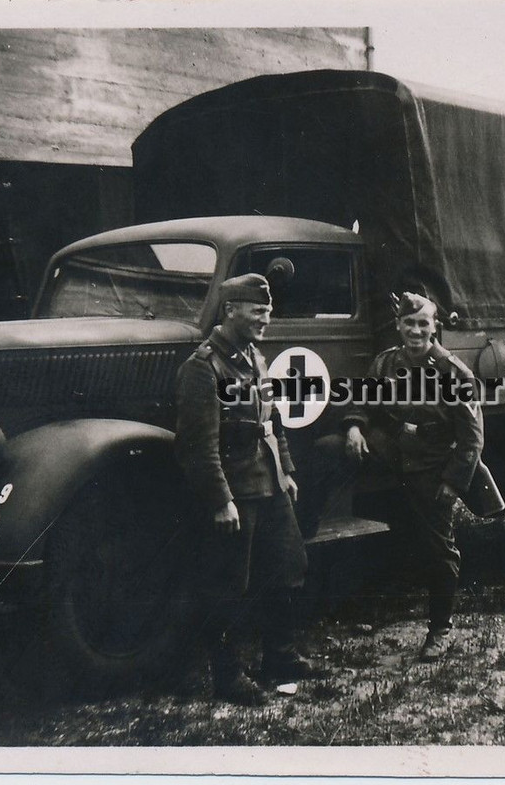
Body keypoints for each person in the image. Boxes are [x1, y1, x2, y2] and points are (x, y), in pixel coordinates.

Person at [174, 273, 315, 705]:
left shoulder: (254, 357)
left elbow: (271, 422)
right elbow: (198, 445)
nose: (265, 319)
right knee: (229, 583)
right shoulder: (203, 367)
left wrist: (286, 470)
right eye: (258, 311)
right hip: (235, 490)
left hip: (268, 480)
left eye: (268, 312)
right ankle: (229, 676)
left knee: (288, 566)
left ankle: (280, 658)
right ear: (230, 309)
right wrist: (220, 500)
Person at [342, 291, 484, 662]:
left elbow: (472, 437)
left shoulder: (453, 373)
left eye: (424, 324)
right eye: (409, 324)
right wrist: (355, 427)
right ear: (399, 326)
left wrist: (453, 482)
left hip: (431, 465)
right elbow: (363, 399)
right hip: (393, 458)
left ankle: (441, 628)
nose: (416, 331)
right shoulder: (386, 363)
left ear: (435, 327)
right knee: (329, 450)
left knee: (439, 548)